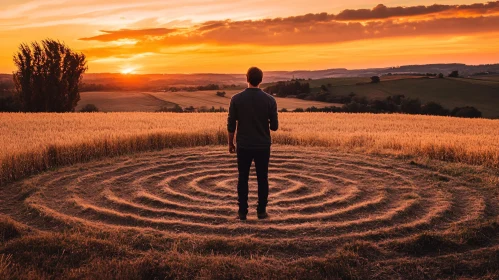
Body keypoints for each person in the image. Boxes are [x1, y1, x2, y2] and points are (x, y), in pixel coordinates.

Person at [227, 67, 279, 221]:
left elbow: (231, 125)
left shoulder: (236, 99)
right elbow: (274, 127)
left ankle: (242, 213)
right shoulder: (270, 100)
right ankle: (261, 212)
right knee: (262, 178)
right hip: (263, 146)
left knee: (243, 178)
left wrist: (231, 143)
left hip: (243, 145)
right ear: (261, 80)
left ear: (246, 78)